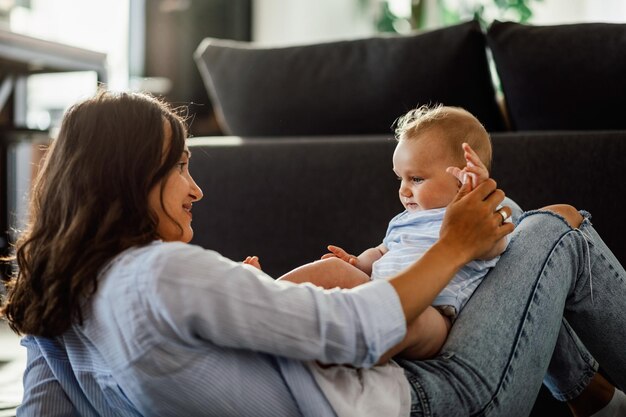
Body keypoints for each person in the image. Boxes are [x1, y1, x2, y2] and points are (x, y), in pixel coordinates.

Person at [0, 90, 624, 417]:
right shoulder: (162, 271)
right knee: (556, 225)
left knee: (524, 256)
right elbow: (360, 333)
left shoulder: (59, 303)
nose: (196, 188)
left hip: (380, 380)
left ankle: (594, 399)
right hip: (432, 400)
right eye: (180, 166)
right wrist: (457, 243)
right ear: (130, 176)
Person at [246, 105, 510, 361]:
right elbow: (382, 251)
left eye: (416, 179)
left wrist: (477, 193)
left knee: (404, 324)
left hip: (436, 315)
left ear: (462, 177)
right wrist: (358, 263)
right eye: (400, 179)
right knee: (334, 276)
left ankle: (273, 308)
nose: (404, 191)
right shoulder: (405, 221)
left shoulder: (479, 216)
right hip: (379, 294)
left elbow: (493, 245)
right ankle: (269, 298)